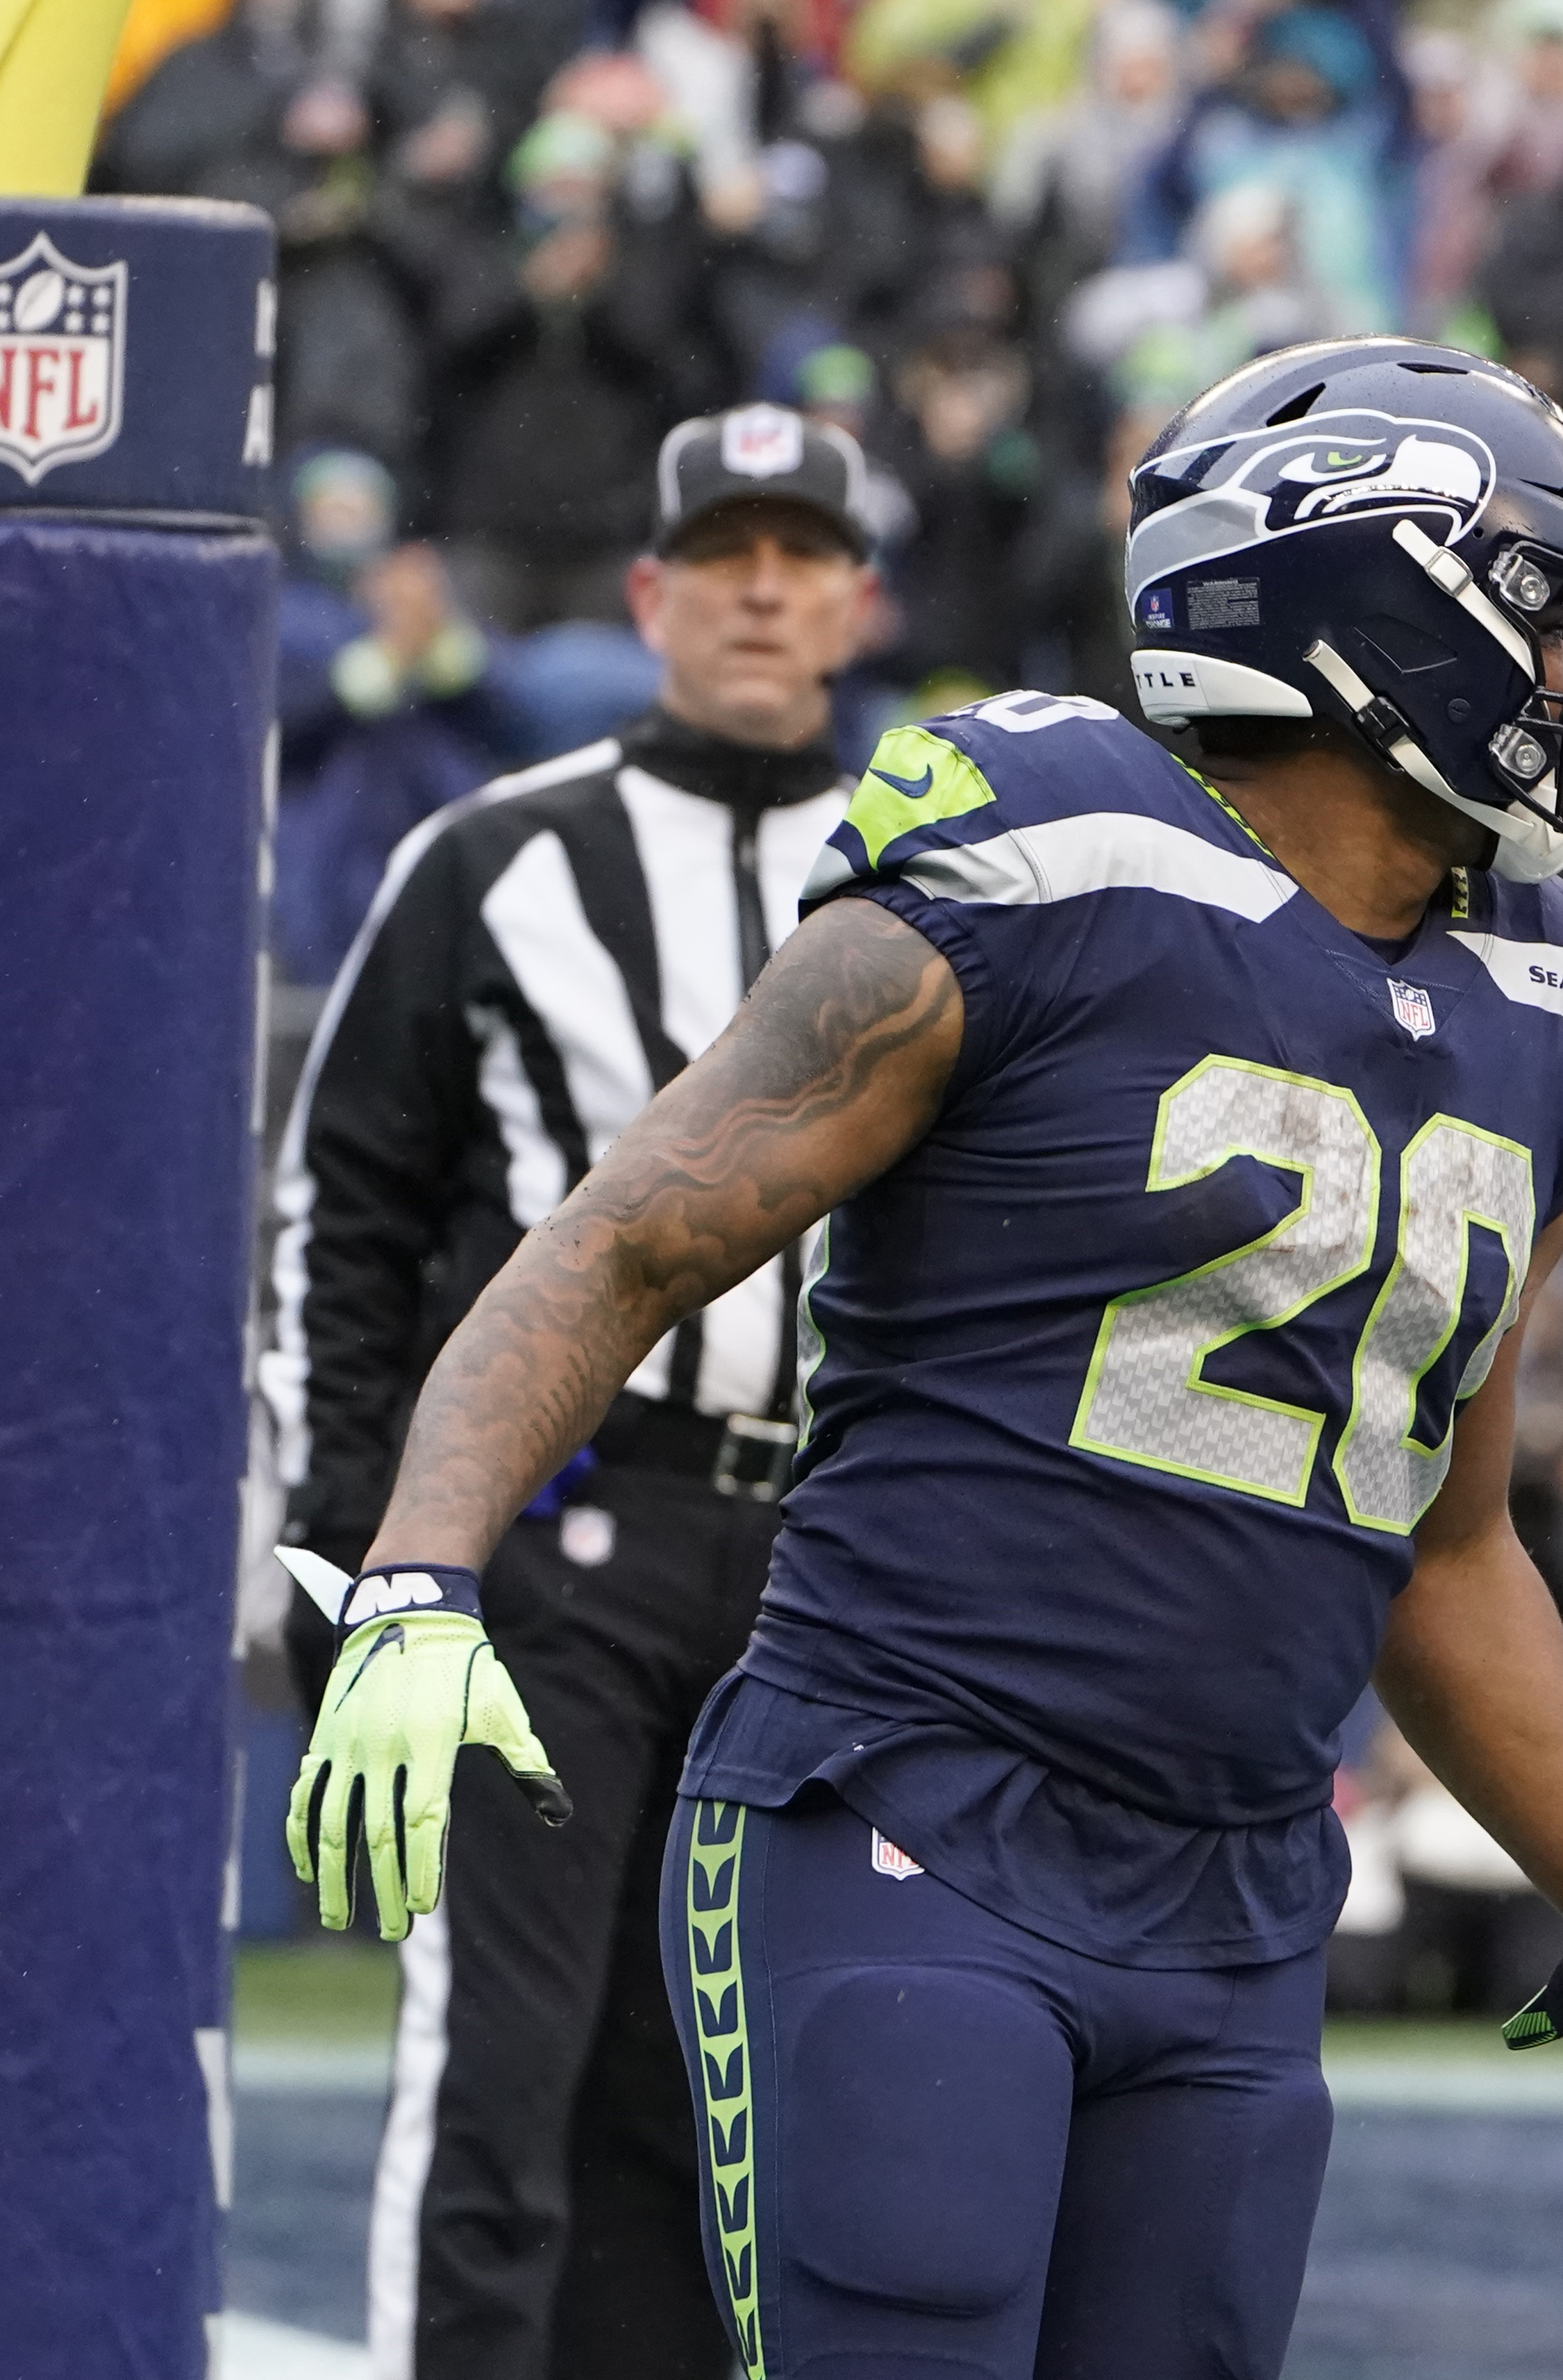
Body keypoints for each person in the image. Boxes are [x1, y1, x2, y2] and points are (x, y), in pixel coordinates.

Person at [278, 338, 1563, 2380]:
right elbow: (627, 1237)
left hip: (1245, 1883)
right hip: (907, 1811)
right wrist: (426, 1572)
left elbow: (1445, 1538)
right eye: (1536, 604)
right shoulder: (1046, 855)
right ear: (1373, 608)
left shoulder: (1555, 1005)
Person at [265, 404, 874, 2380]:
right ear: (649, 596)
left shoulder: (943, 867)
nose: (764, 588)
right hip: (559, 1543)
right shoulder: (500, 855)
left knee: (729, 2103)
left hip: (831, 1566)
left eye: (803, 554)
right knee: (501, 2074)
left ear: (860, 598)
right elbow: (342, 1207)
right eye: (725, 555)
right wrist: (344, 1539)